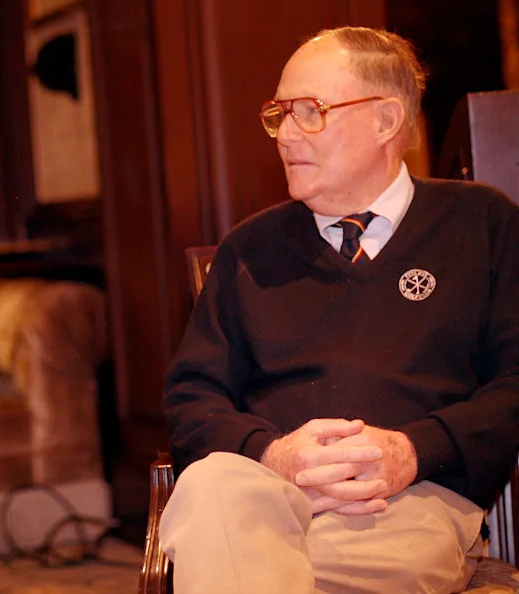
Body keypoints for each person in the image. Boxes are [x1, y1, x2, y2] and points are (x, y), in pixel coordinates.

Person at [159, 26, 519, 593]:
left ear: (386, 120)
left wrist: (413, 450)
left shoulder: (482, 225)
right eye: (280, 114)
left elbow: (515, 386)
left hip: (406, 500)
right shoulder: (248, 250)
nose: (285, 136)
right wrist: (272, 457)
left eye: (311, 111)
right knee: (211, 489)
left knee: (239, 560)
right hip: (263, 495)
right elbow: (192, 400)